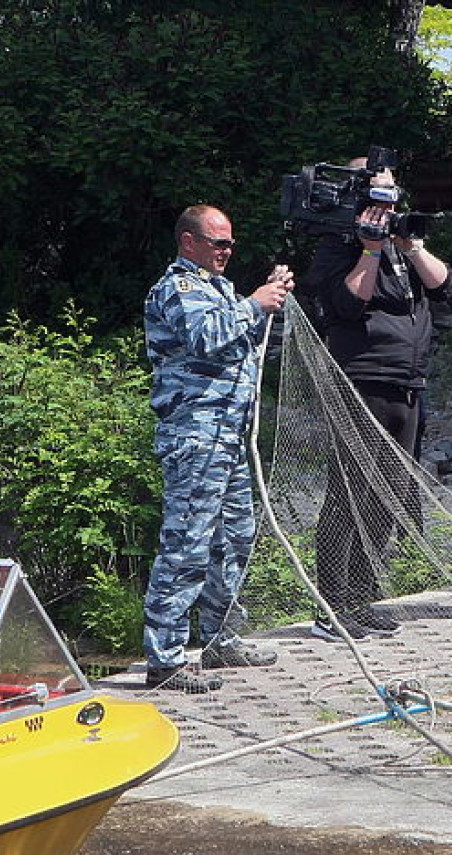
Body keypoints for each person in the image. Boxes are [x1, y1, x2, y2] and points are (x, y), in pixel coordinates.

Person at [304, 158, 452, 640]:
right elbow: (346, 304)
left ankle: (366, 596)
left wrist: (409, 246)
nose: (387, 206)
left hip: (407, 386)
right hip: (360, 382)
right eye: (378, 195)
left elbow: (448, 288)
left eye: (393, 195)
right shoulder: (339, 245)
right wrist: (369, 251)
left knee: (387, 497)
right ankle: (332, 606)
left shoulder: (403, 245)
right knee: (348, 494)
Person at [141, 205, 293, 693]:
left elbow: (245, 344)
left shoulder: (219, 290)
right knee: (187, 544)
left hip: (228, 437)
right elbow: (205, 337)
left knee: (235, 538)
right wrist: (254, 303)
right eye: (218, 243)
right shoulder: (179, 287)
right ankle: (164, 658)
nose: (227, 252)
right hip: (196, 437)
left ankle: (220, 639)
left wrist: (269, 300)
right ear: (189, 243)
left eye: (231, 244)